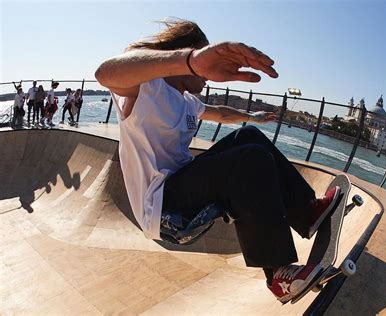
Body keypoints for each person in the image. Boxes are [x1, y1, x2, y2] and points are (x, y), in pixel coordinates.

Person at [95, 20, 340, 304]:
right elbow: (104, 73)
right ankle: (278, 275)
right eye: (202, 69)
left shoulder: (187, 101)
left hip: (184, 186)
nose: (207, 77)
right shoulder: (145, 88)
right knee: (249, 160)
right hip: (161, 205)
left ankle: (306, 213)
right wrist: (190, 61)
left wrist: (253, 117)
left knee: (249, 137)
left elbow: (221, 113)